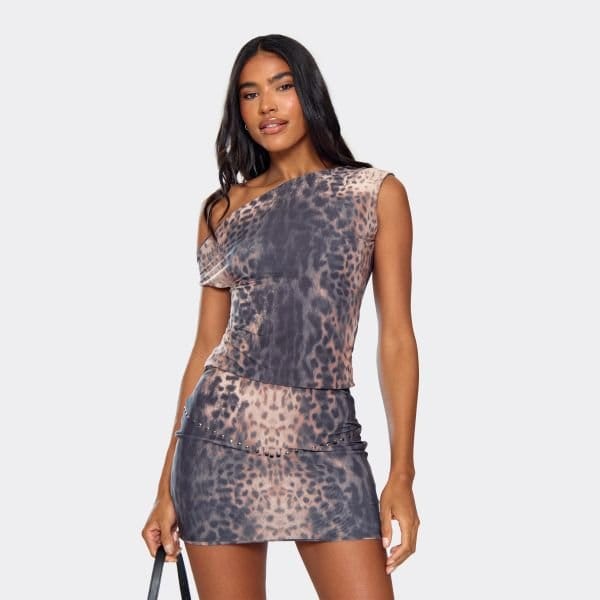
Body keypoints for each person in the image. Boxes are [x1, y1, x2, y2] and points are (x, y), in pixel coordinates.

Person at [141, 33, 420, 600]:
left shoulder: (375, 193)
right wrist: (166, 485)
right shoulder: (224, 209)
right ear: (239, 113)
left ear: (308, 93)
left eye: (282, 86)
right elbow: (205, 346)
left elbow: (396, 337)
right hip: (219, 444)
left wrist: (402, 473)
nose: (266, 105)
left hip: (327, 442)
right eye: (250, 95)